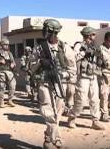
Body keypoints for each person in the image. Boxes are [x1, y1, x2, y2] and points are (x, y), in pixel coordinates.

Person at [31, 18, 74, 148]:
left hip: (60, 83)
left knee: (57, 114)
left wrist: (62, 75)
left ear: (52, 31)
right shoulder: (39, 48)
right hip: (44, 83)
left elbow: (72, 69)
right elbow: (31, 67)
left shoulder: (64, 47)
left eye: (46, 30)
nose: (45, 32)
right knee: (47, 111)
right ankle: (57, 139)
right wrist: (40, 63)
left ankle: (48, 139)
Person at [67, 26, 105, 130]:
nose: (94, 36)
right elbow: (73, 57)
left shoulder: (94, 47)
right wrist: (84, 53)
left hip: (93, 76)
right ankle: (72, 117)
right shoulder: (79, 45)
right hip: (83, 77)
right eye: (93, 34)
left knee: (95, 100)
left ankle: (95, 120)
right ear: (88, 35)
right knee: (81, 100)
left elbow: (96, 61)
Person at [0, 38, 16, 108]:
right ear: (2, 45)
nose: (7, 46)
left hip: (9, 72)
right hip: (1, 72)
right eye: (5, 45)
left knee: (13, 85)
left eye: (7, 45)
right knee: (1, 87)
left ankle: (10, 100)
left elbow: (13, 62)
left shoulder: (10, 53)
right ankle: (1, 101)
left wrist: (13, 64)